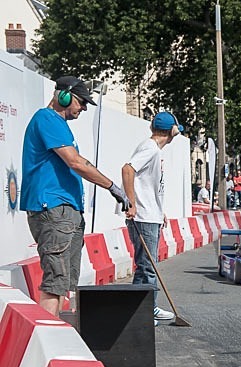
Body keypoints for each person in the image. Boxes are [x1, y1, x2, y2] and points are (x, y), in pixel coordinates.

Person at [20, 75, 129, 317]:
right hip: (53, 209)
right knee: (54, 283)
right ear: (64, 95)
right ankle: (48, 342)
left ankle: (56, 336)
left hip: (65, 210)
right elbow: (76, 163)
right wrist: (112, 187)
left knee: (63, 284)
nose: (83, 109)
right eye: (81, 102)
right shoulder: (46, 119)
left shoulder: (58, 125)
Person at [122, 111, 185, 325]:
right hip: (144, 216)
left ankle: (146, 307)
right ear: (172, 131)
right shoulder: (150, 149)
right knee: (148, 266)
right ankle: (144, 311)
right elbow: (128, 170)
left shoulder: (151, 149)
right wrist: (131, 202)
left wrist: (159, 211)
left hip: (150, 214)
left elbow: (147, 185)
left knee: (146, 265)